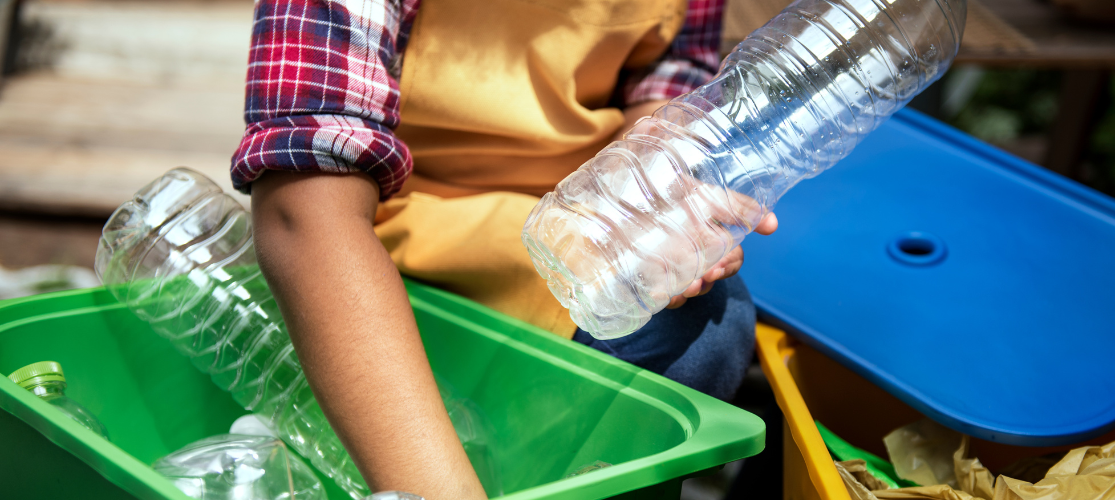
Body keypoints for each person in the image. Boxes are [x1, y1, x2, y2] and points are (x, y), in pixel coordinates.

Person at [231, 0, 777, 498]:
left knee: (705, 322)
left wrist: (654, 189)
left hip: (577, 208)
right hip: (399, 225)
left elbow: (668, 74)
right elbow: (302, 210)